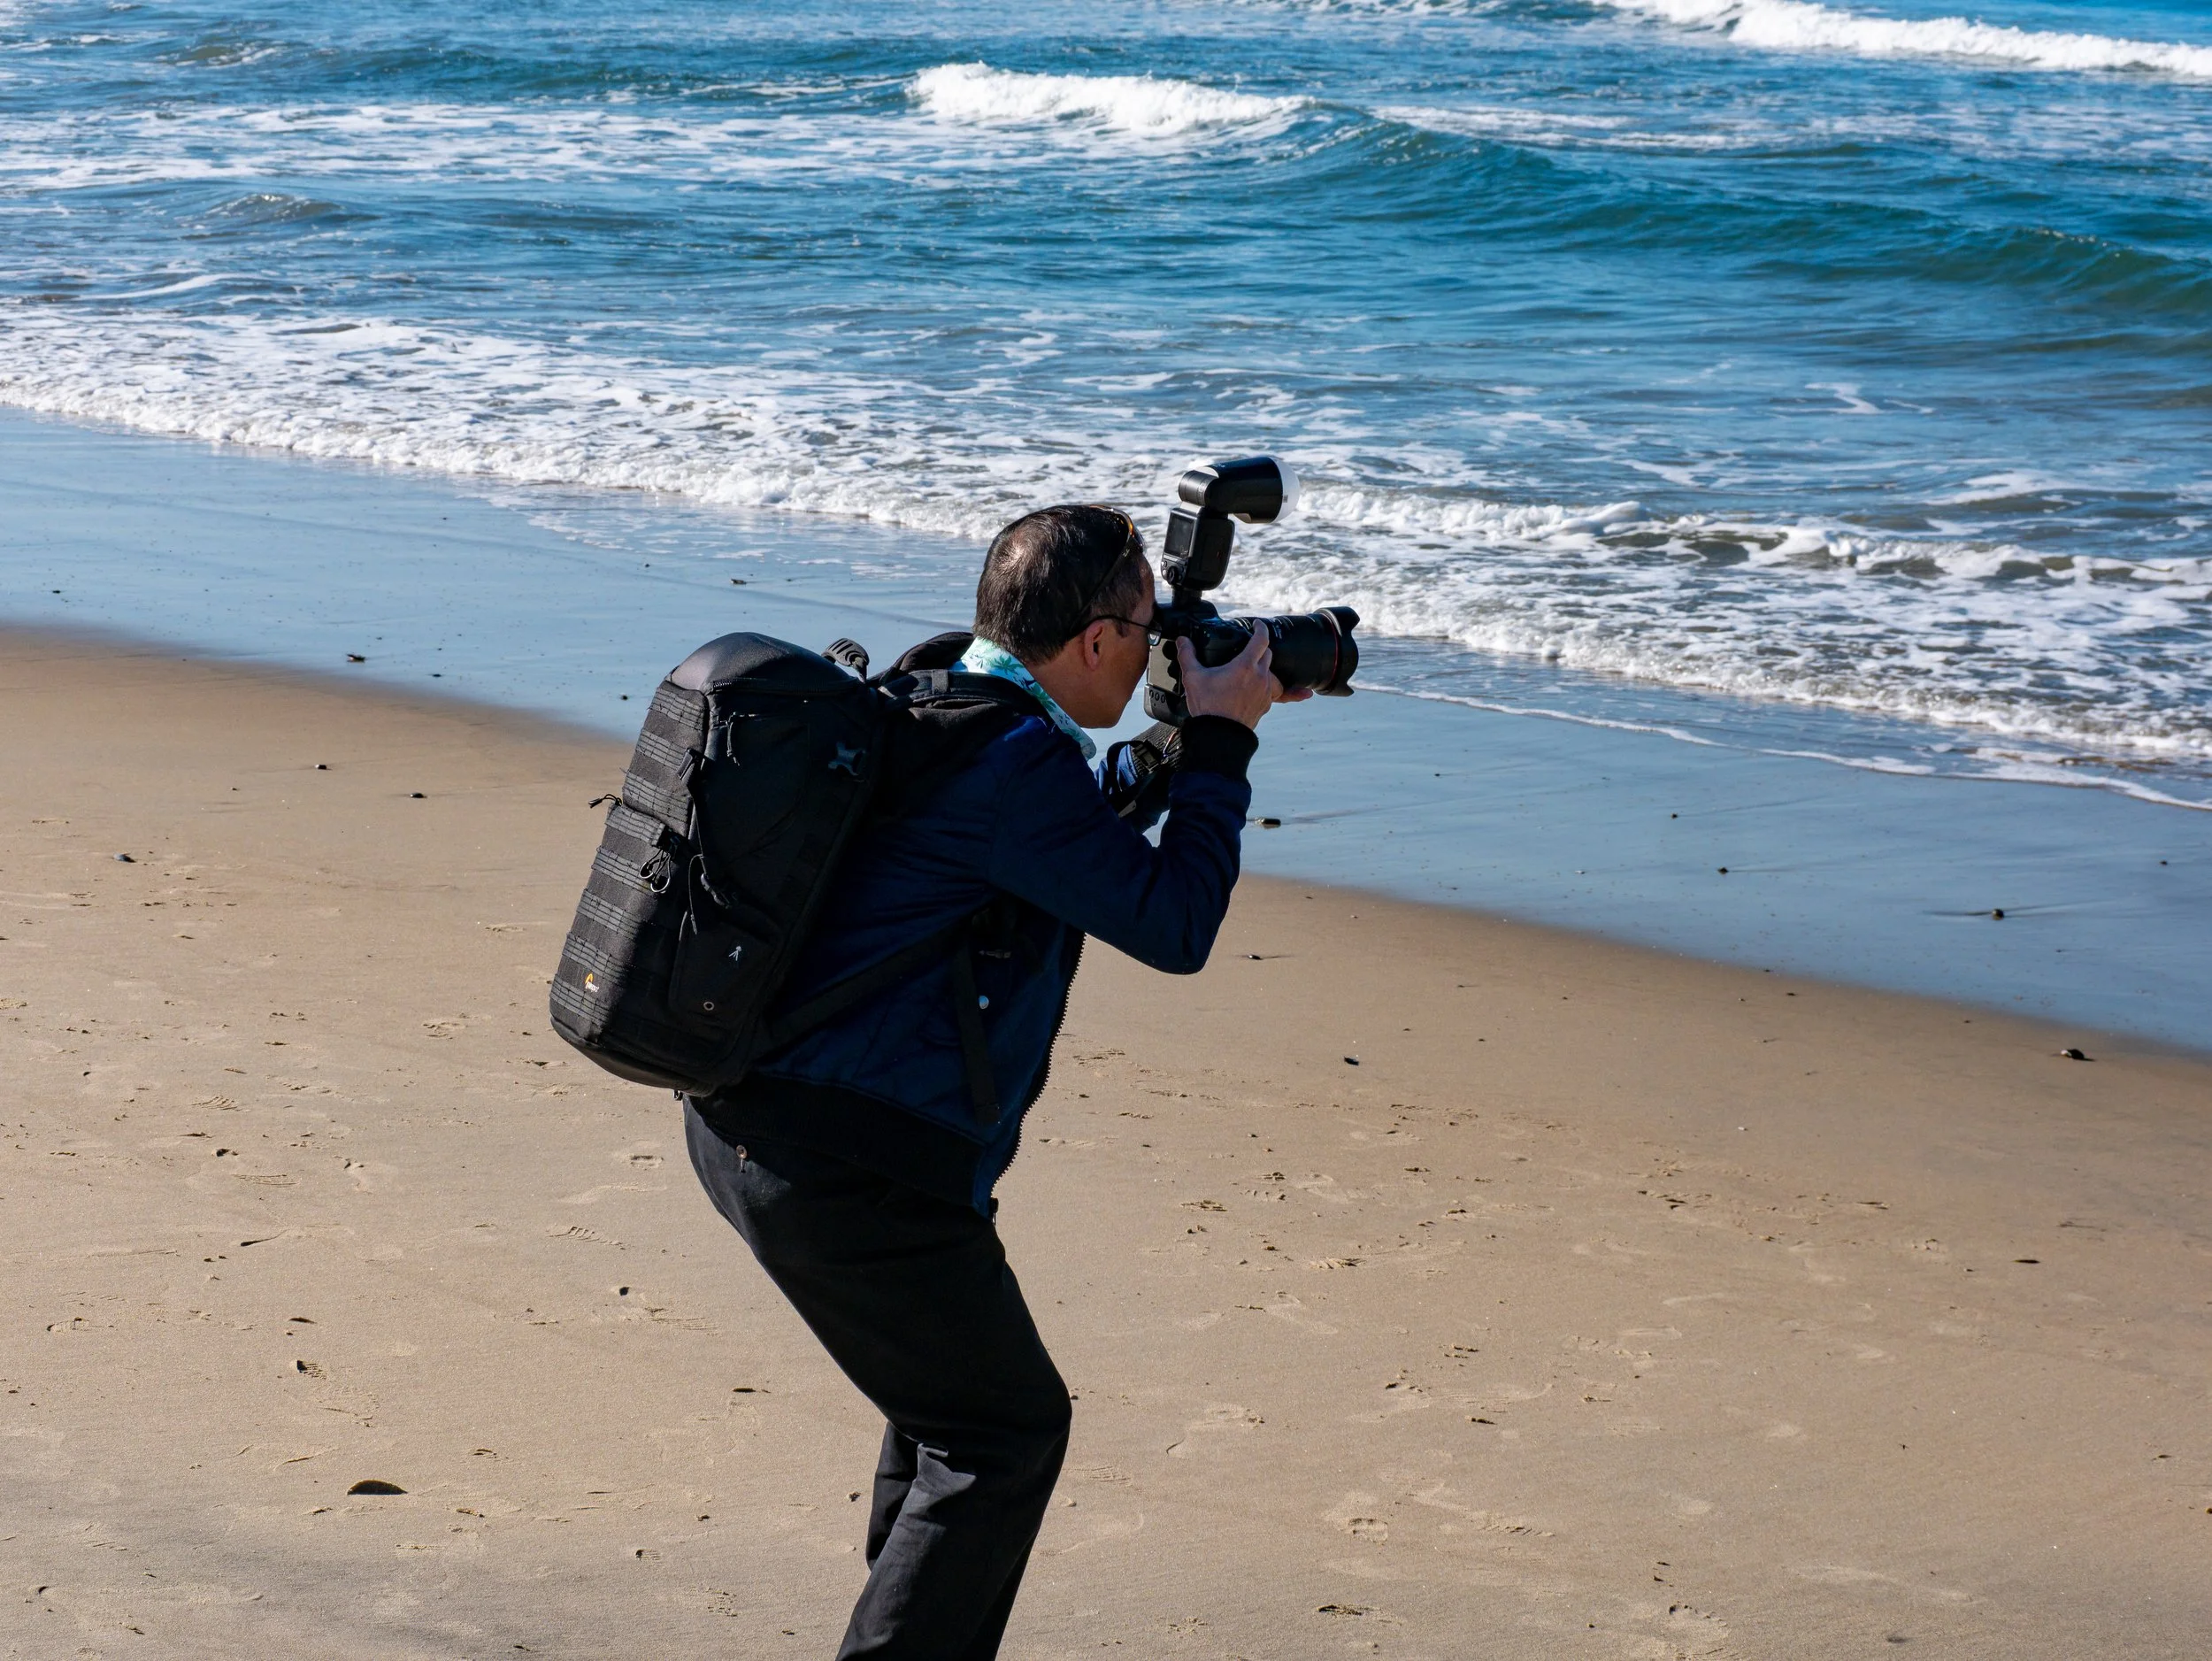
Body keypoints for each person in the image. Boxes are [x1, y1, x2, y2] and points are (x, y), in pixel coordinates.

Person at [683, 503, 1300, 1659]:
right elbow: (1173, 923)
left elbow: (1063, 824)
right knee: (1004, 1435)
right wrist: (1223, 748)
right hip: (845, 1163)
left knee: (947, 1425)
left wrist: (1178, 746)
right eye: (1150, 623)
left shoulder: (940, 703)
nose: (1163, 643)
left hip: (767, 1130)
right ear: (1098, 641)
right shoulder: (1013, 762)